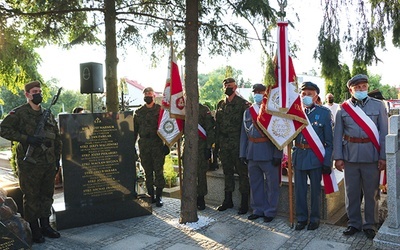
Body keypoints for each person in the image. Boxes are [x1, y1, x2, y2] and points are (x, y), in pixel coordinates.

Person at [0, 81, 62, 243]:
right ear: (27, 94)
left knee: (47, 195)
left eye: (39, 91)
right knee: (32, 196)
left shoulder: (47, 114)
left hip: (48, 162)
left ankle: (45, 225)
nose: (38, 94)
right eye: (34, 91)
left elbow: (56, 137)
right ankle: (34, 229)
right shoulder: (19, 113)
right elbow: (3, 129)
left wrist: (57, 159)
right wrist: (27, 139)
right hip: (30, 164)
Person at [333, 74, 388, 239]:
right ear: (351, 90)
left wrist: (383, 156)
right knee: (351, 192)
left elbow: (384, 133)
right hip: (350, 156)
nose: (361, 89)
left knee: (371, 193)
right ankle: (353, 223)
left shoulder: (378, 106)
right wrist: (338, 157)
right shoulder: (343, 108)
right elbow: (337, 135)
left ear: (368, 87)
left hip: (371, 156)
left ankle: (370, 224)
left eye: (364, 86)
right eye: (357, 88)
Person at [293, 82, 333, 231]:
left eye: (310, 94)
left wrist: (327, 161)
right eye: (303, 94)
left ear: (316, 96)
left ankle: (315, 218)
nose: (306, 96)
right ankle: (301, 218)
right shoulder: (295, 113)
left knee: (315, 190)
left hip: (315, 157)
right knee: (299, 190)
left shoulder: (324, 113)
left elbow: (329, 141)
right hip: (299, 155)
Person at [239, 83, 282, 222]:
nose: (257, 94)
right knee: (255, 182)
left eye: (260, 92)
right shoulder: (247, 112)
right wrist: (242, 153)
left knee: (272, 184)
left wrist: (278, 154)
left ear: (266, 94)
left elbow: (279, 134)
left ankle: (270, 211)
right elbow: (243, 134)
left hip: (268, 152)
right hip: (252, 152)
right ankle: (258, 209)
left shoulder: (272, 110)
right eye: (255, 92)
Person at [215, 77, 251, 214]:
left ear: (235, 87)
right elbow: (217, 126)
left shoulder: (243, 104)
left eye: (229, 86)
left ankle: (244, 203)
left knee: (242, 173)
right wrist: (216, 146)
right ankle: (227, 200)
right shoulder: (220, 105)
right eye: (225, 86)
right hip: (224, 144)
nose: (227, 88)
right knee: (227, 172)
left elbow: (247, 127)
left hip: (238, 143)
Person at [133, 87, 166, 207]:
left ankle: (159, 197)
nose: (147, 96)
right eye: (146, 94)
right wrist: (133, 146)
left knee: (158, 171)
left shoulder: (160, 110)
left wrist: (167, 144)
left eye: (150, 94)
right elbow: (135, 131)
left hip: (157, 144)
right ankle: (151, 196)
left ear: (154, 95)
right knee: (147, 172)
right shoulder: (138, 112)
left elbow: (167, 128)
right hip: (144, 145)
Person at [196, 103, 216, 210]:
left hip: (201, 146)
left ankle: (201, 198)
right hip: (189, 147)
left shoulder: (204, 110)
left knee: (201, 174)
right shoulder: (183, 109)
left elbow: (210, 130)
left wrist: (208, 147)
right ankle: (191, 197)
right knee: (189, 173)